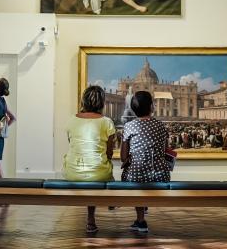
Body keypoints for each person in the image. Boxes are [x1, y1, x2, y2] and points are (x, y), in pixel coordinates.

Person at [62, 85, 116, 233]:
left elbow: (72, 144)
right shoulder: (107, 122)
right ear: (102, 103)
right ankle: (110, 200)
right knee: (102, 168)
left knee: (88, 164)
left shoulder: (72, 120)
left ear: (83, 101)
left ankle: (91, 219)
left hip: (73, 172)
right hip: (99, 173)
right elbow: (109, 153)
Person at [120, 91, 171, 233]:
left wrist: (129, 158)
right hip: (160, 175)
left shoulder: (129, 126)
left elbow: (123, 157)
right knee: (143, 173)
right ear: (152, 107)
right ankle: (143, 210)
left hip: (137, 176)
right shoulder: (161, 126)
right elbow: (166, 150)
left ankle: (141, 220)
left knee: (134, 173)